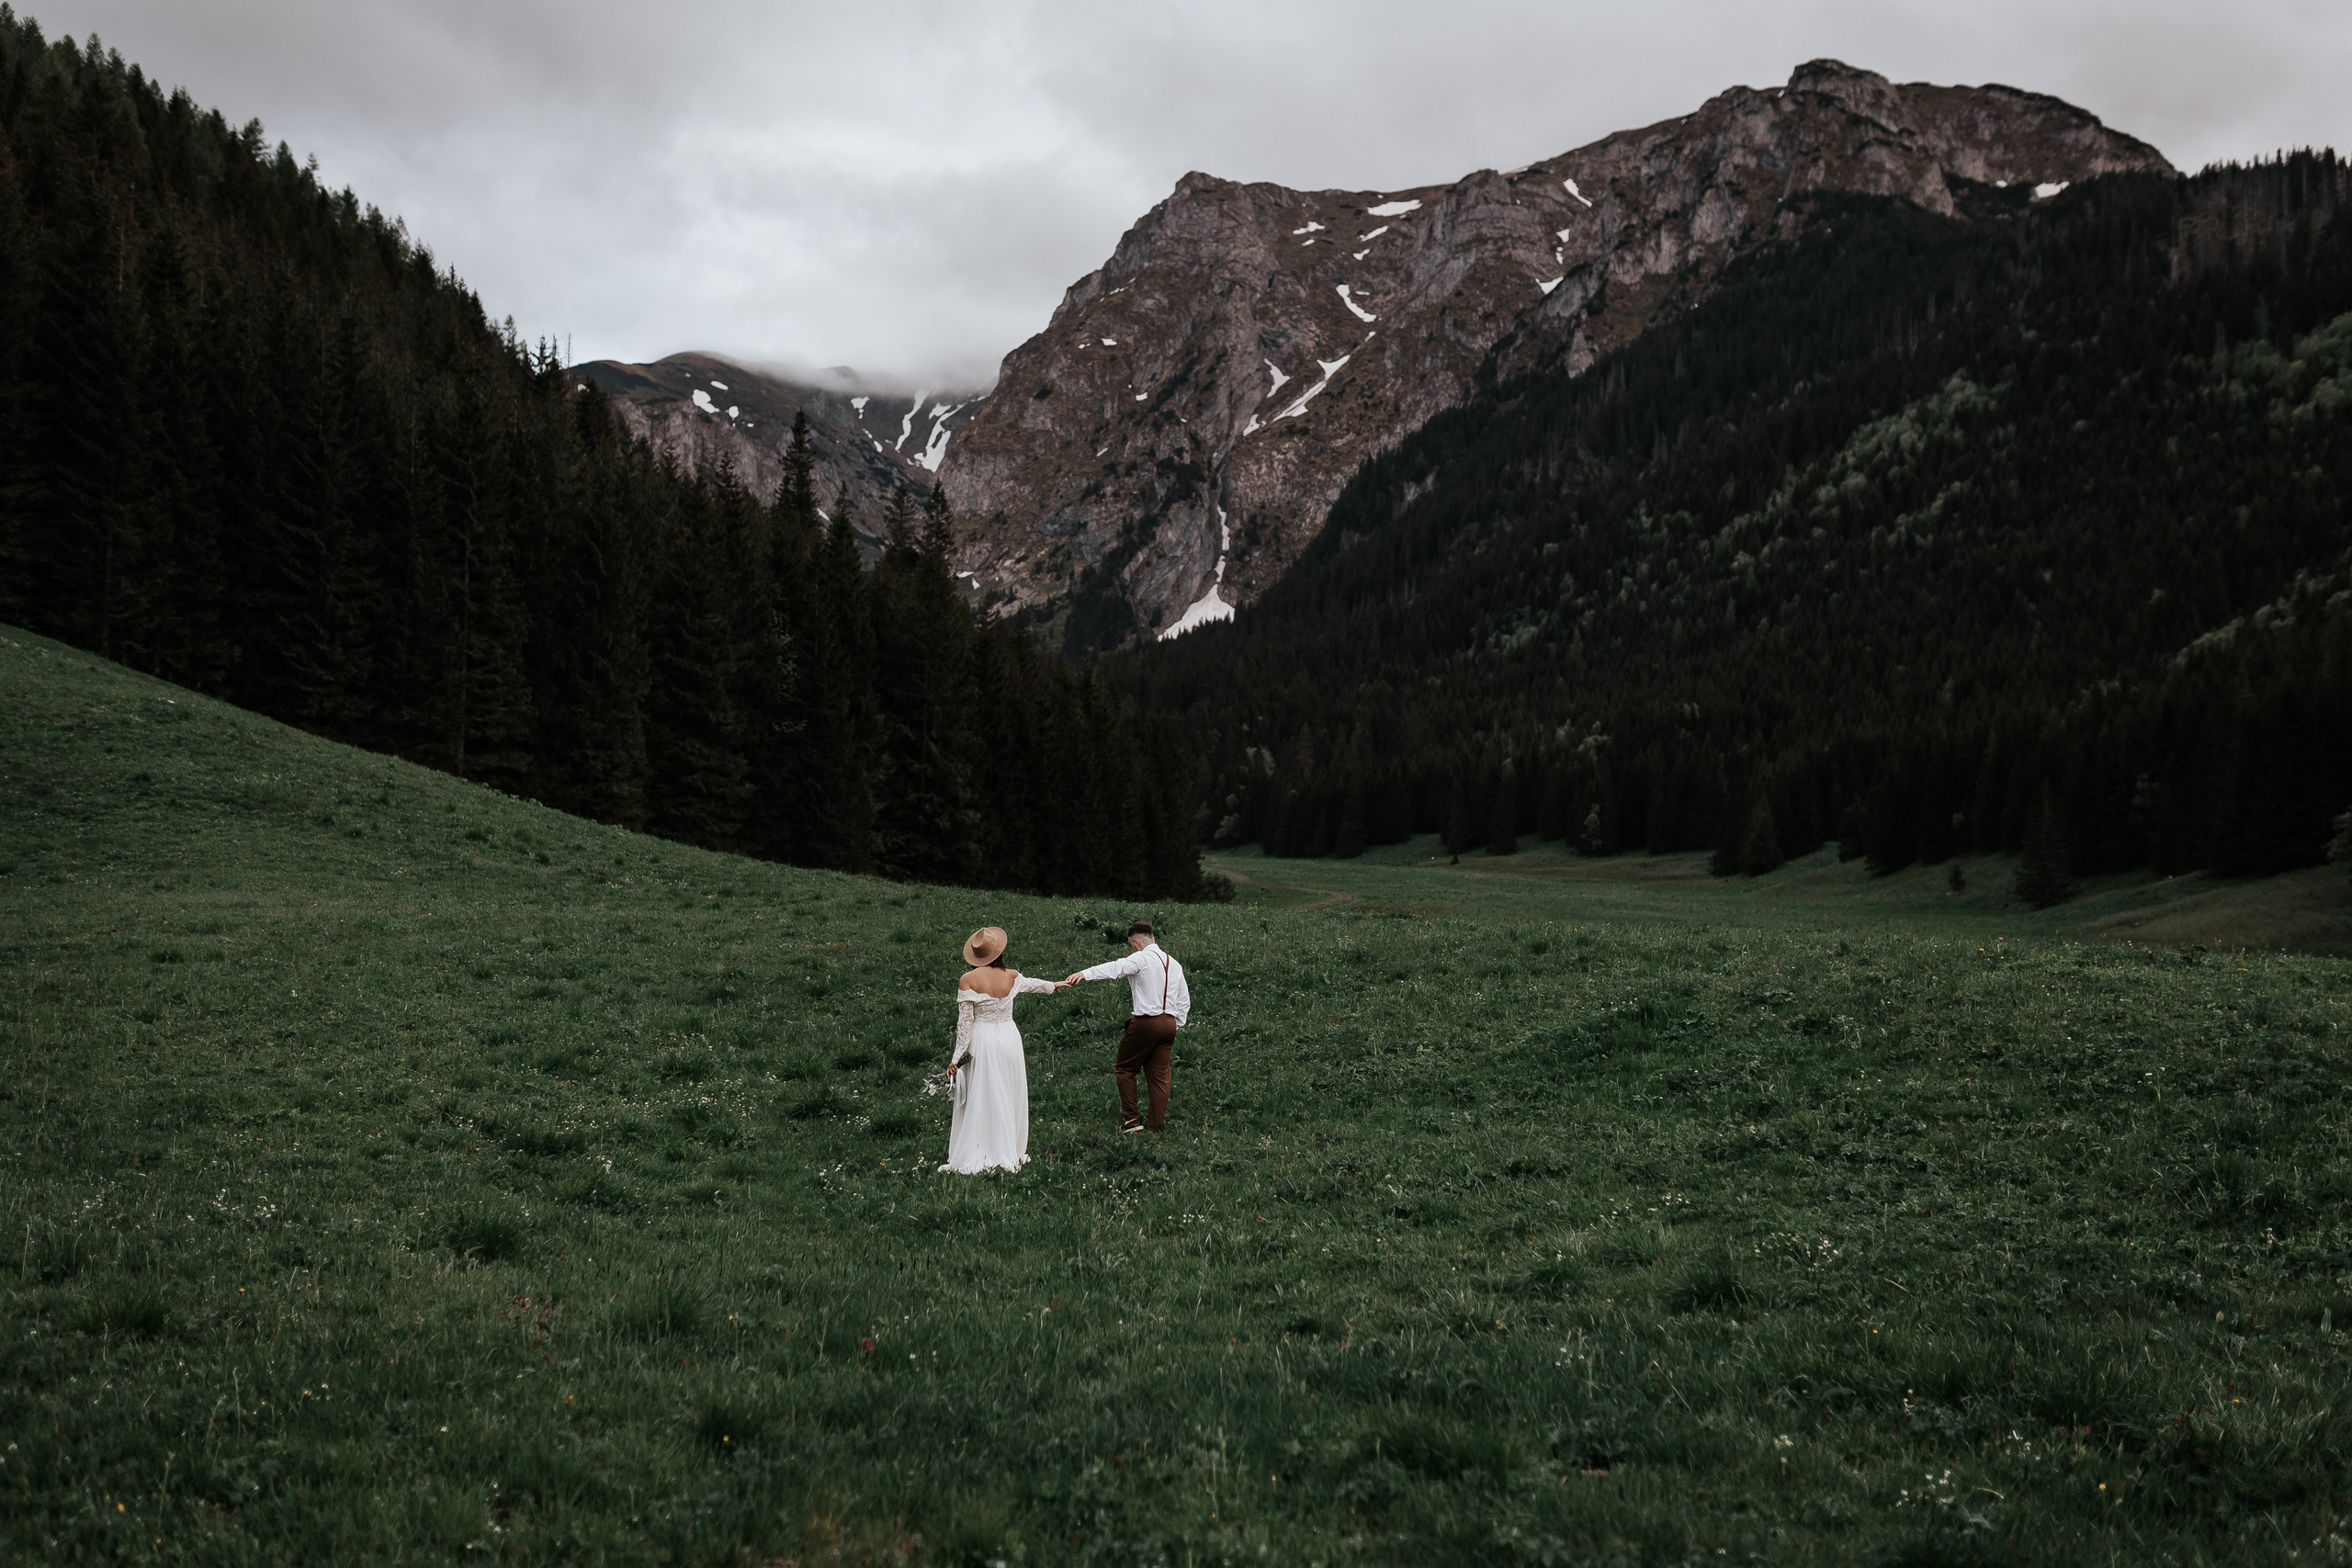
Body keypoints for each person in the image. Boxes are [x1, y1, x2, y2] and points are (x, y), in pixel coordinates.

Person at [939, 926, 1066, 1175]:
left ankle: (981, 1148)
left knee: (983, 1091)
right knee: (1008, 1090)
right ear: (998, 952)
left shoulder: (968, 980)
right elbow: (1032, 985)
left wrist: (955, 1059)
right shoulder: (1011, 975)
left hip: (983, 1039)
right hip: (1009, 1038)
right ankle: (1009, 1147)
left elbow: (965, 1025)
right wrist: (1054, 985)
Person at [1065, 920, 1190, 1134]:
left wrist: (1086, 973)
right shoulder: (1174, 963)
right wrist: (1175, 1024)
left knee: (1125, 1068)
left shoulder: (1141, 958)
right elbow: (1184, 1000)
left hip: (1146, 1023)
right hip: (1169, 1024)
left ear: (1137, 942)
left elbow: (1116, 968)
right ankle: (1155, 1128)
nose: (1132, 949)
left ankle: (1132, 1121)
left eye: (1132, 945)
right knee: (1160, 1078)